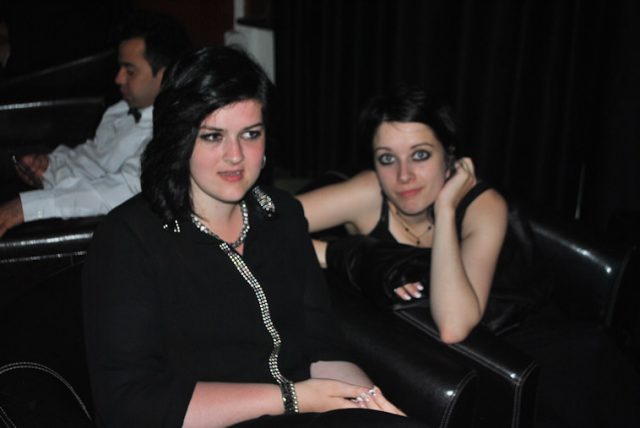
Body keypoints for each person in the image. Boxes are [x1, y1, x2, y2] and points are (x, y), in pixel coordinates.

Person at [82, 46, 427, 428]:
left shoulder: (282, 215)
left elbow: (321, 349)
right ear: (179, 138)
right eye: (213, 136)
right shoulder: (128, 239)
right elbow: (130, 405)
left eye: (250, 134)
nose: (235, 155)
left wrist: (370, 402)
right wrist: (292, 397)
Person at [297, 86, 640, 427]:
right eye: (387, 158)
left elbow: (453, 325)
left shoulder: (482, 205)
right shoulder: (369, 193)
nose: (404, 175)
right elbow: (269, 221)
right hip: (458, 360)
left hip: (540, 347)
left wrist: (446, 210)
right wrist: (348, 253)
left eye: (421, 155)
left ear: (449, 156)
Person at [0, 10, 193, 237]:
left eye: (130, 71)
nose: (118, 78)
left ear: (165, 75)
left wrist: (27, 207)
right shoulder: (120, 110)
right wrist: (52, 166)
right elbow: (93, 157)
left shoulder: (172, 134)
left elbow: (117, 192)